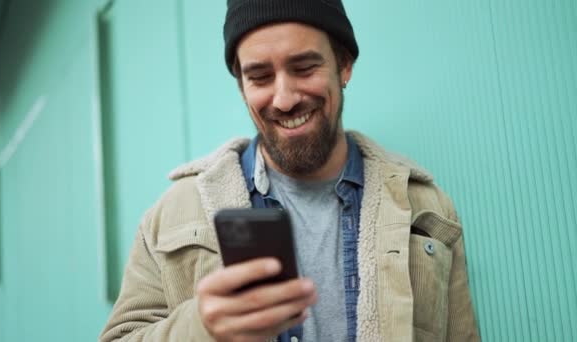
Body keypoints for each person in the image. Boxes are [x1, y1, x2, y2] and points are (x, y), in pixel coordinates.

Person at [100, 0, 480, 341]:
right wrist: (200, 326)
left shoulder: (427, 209)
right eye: (260, 77)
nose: (284, 98)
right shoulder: (172, 215)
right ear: (241, 85)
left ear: (343, 64)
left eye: (303, 67)